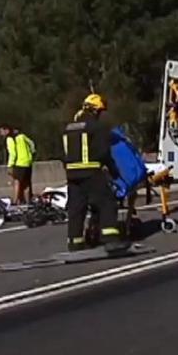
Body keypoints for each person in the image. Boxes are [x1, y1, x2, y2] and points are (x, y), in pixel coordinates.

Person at [62, 94, 122, 252]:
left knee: (76, 209)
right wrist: (114, 171)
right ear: (95, 110)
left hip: (72, 174)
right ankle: (110, 239)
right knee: (107, 203)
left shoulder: (69, 127)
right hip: (90, 171)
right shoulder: (97, 127)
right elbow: (103, 153)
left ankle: (75, 242)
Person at [0, 124, 36, 205]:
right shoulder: (22, 136)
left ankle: (15, 201)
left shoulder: (10, 139)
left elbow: (13, 153)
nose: (1, 134)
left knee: (17, 182)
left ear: (6, 130)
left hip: (19, 163)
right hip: (28, 162)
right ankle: (28, 201)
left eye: (1, 131)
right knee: (26, 183)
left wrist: (10, 165)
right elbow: (32, 144)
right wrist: (31, 154)